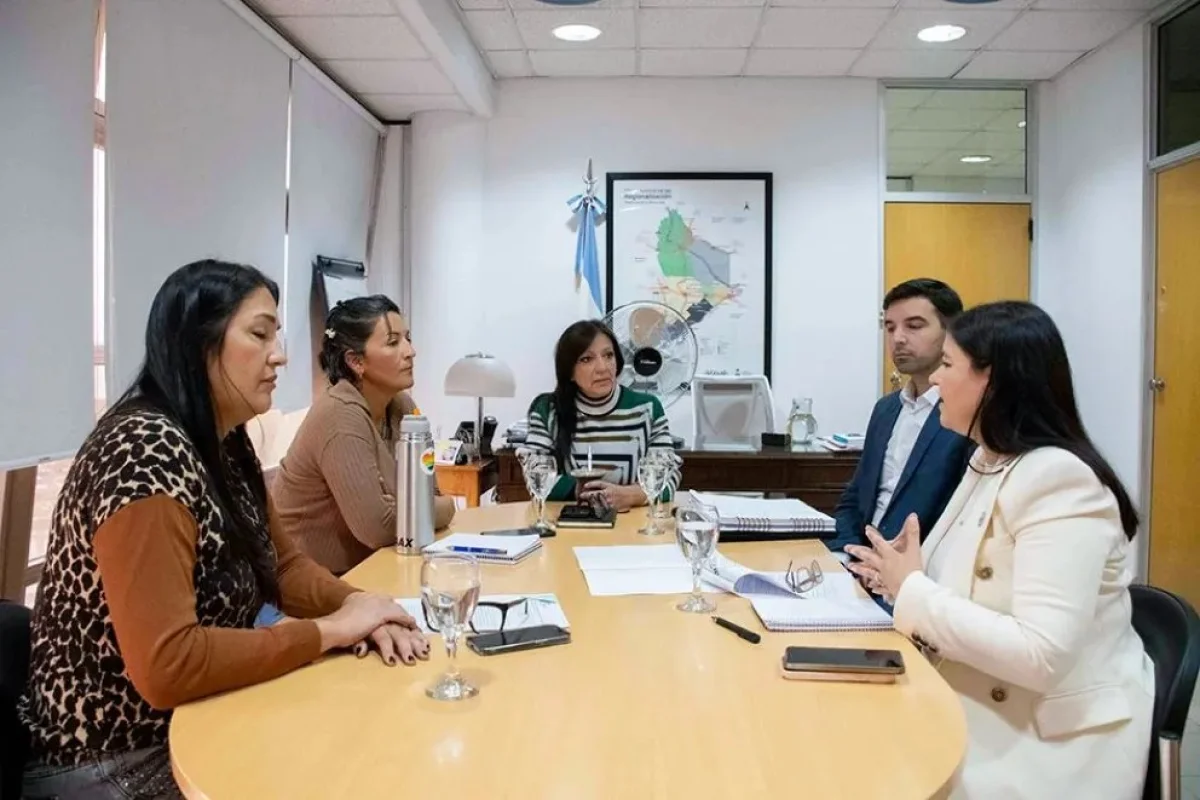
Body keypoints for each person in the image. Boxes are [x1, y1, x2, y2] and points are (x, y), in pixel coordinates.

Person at [19, 261, 428, 800]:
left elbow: (282, 565)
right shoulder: (143, 453)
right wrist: (331, 630)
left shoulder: (225, 440)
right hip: (114, 755)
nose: (279, 355)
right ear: (199, 345)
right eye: (260, 334)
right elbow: (168, 664)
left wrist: (364, 607)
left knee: (371, 741)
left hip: (200, 715)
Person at [845, 301, 1154, 799]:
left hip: (1045, 745)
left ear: (992, 381)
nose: (936, 380)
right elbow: (960, 591)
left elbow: (1040, 655)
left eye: (948, 364)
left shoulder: (1060, 479)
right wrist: (899, 577)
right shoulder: (989, 461)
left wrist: (913, 589)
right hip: (972, 698)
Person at [272, 295, 454, 575]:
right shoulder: (339, 416)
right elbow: (377, 527)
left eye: (408, 338)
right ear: (355, 361)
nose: (410, 351)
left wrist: (414, 508)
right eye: (393, 342)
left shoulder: (403, 407)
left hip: (376, 566)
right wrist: (439, 507)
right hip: (314, 582)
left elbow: (431, 495)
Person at [827, 279, 972, 555]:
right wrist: (848, 551)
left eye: (914, 326)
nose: (898, 339)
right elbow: (854, 499)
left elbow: (956, 520)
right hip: (858, 559)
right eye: (890, 327)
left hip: (916, 566)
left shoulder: (965, 416)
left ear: (951, 332)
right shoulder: (886, 409)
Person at [526, 319, 679, 511]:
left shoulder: (647, 408)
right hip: (569, 522)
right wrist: (585, 491)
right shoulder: (547, 410)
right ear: (569, 371)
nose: (602, 368)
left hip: (632, 522)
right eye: (586, 359)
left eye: (608, 355)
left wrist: (629, 495)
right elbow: (536, 480)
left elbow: (669, 479)